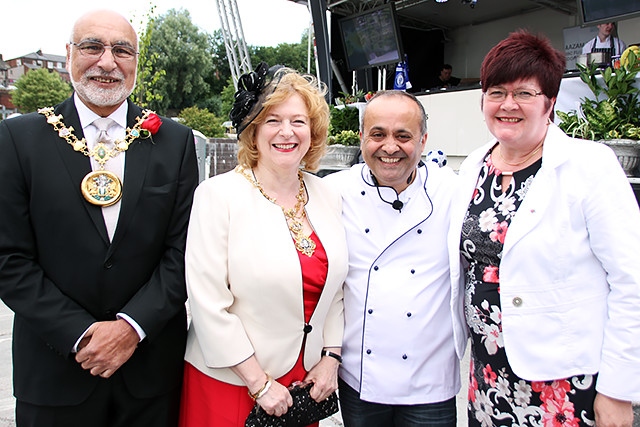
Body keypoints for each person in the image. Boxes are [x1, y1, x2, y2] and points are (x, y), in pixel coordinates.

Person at [0, 9, 199, 427]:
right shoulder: (18, 140)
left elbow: (183, 253)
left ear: (135, 63)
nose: (107, 62)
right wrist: (81, 334)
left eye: (122, 50)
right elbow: (9, 259)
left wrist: (131, 327)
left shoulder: (174, 142)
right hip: (55, 374)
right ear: (70, 54)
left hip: (150, 376)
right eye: (93, 46)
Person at [449, 30, 640, 426]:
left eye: (524, 93)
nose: (508, 105)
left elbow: (631, 281)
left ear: (550, 102)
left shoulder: (590, 166)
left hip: (564, 382)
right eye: (496, 92)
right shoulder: (473, 166)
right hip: (488, 375)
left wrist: (619, 391)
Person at [179, 63, 349, 426]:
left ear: (313, 132)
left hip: (303, 383)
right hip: (234, 380)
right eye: (272, 120)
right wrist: (258, 383)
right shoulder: (218, 196)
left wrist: (331, 357)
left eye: (298, 121)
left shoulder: (327, 194)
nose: (286, 132)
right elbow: (208, 304)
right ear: (253, 131)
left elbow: (336, 291)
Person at [325, 90, 468, 427]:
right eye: (378, 135)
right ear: (361, 138)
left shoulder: (454, 191)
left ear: (423, 140)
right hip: (360, 377)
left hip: (430, 381)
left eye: (403, 136)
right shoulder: (333, 191)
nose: (390, 147)